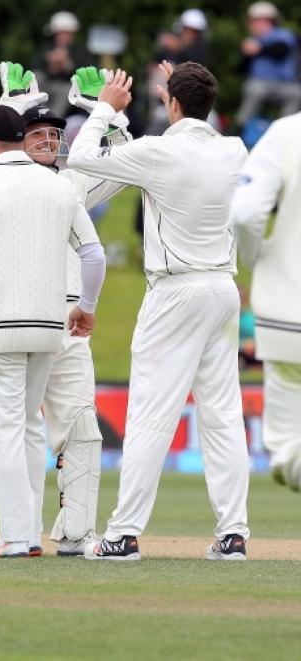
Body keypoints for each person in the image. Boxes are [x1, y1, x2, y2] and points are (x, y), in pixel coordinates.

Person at [0, 65, 126, 557]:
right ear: (20, 138)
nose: (46, 142)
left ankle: (73, 532)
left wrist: (105, 117)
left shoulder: (75, 183)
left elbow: (128, 163)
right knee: (14, 424)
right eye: (36, 133)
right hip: (29, 314)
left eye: (53, 135)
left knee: (78, 425)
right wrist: (12, 104)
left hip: (66, 325)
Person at [67, 62, 250, 561]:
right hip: (222, 290)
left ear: (170, 103)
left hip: (176, 293)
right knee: (223, 415)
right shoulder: (234, 150)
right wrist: (181, 85)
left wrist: (106, 105)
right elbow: (164, 145)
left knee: (150, 413)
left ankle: (122, 535)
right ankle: (233, 534)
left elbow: (83, 157)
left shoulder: (158, 151)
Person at [231, 112, 301, 493]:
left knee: (287, 453)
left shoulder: (287, 132)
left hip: (289, 313)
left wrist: (257, 258)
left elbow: (243, 213)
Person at [236, 2, 301, 128]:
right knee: (255, 90)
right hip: (258, 83)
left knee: (297, 93)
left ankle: (285, 130)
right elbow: (240, 70)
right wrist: (245, 55)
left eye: (260, 21)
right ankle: (241, 129)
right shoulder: (251, 40)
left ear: (271, 21)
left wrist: (259, 49)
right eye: (254, 21)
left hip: (283, 85)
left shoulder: (283, 34)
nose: (256, 24)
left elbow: (282, 50)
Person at [33, 11, 91, 117]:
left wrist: (67, 64)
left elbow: (86, 73)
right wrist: (50, 65)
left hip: (66, 90)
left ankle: (53, 121)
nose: (62, 36)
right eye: (60, 33)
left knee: (67, 90)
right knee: (36, 79)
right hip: (46, 87)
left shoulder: (79, 51)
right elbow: (36, 69)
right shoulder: (47, 49)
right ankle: (35, 116)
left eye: (66, 33)